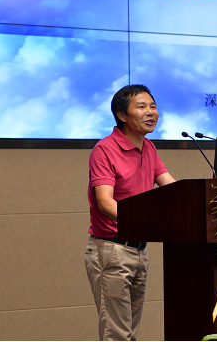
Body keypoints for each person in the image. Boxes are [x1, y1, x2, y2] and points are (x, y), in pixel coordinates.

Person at [84, 84, 176, 341]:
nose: (151, 112)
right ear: (122, 115)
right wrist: (144, 222)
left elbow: (173, 190)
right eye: (142, 107)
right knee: (117, 334)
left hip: (139, 249)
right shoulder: (105, 149)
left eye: (153, 106)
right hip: (111, 249)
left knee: (129, 333)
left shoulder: (149, 148)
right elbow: (105, 202)